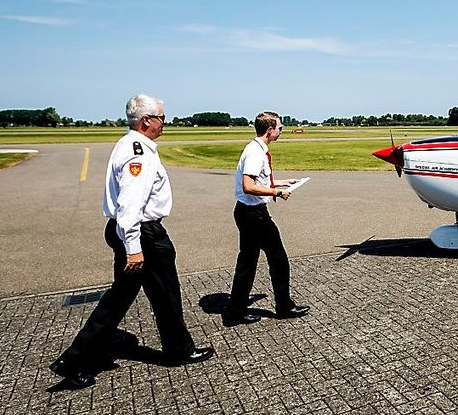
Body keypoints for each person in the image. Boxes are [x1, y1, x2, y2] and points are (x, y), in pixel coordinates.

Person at [50, 94, 214, 389]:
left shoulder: (129, 144)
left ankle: (74, 359)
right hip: (143, 234)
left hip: (129, 232)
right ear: (146, 121)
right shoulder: (139, 152)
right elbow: (130, 205)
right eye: (162, 117)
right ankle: (179, 350)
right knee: (164, 295)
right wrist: (135, 249)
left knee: (120, 299)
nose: (166, 122)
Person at [223, 111, 309, 325]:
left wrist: (281, 182)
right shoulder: (255, 153)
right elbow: (249, 186)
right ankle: (283, 306)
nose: (282, 131)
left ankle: (235, 311)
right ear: (270, 130)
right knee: (278, 259)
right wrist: (276, 193)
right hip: (254, 215)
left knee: (247, 262)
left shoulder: (255, 149)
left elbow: (258, 180)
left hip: (247, 212)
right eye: (280, 128)